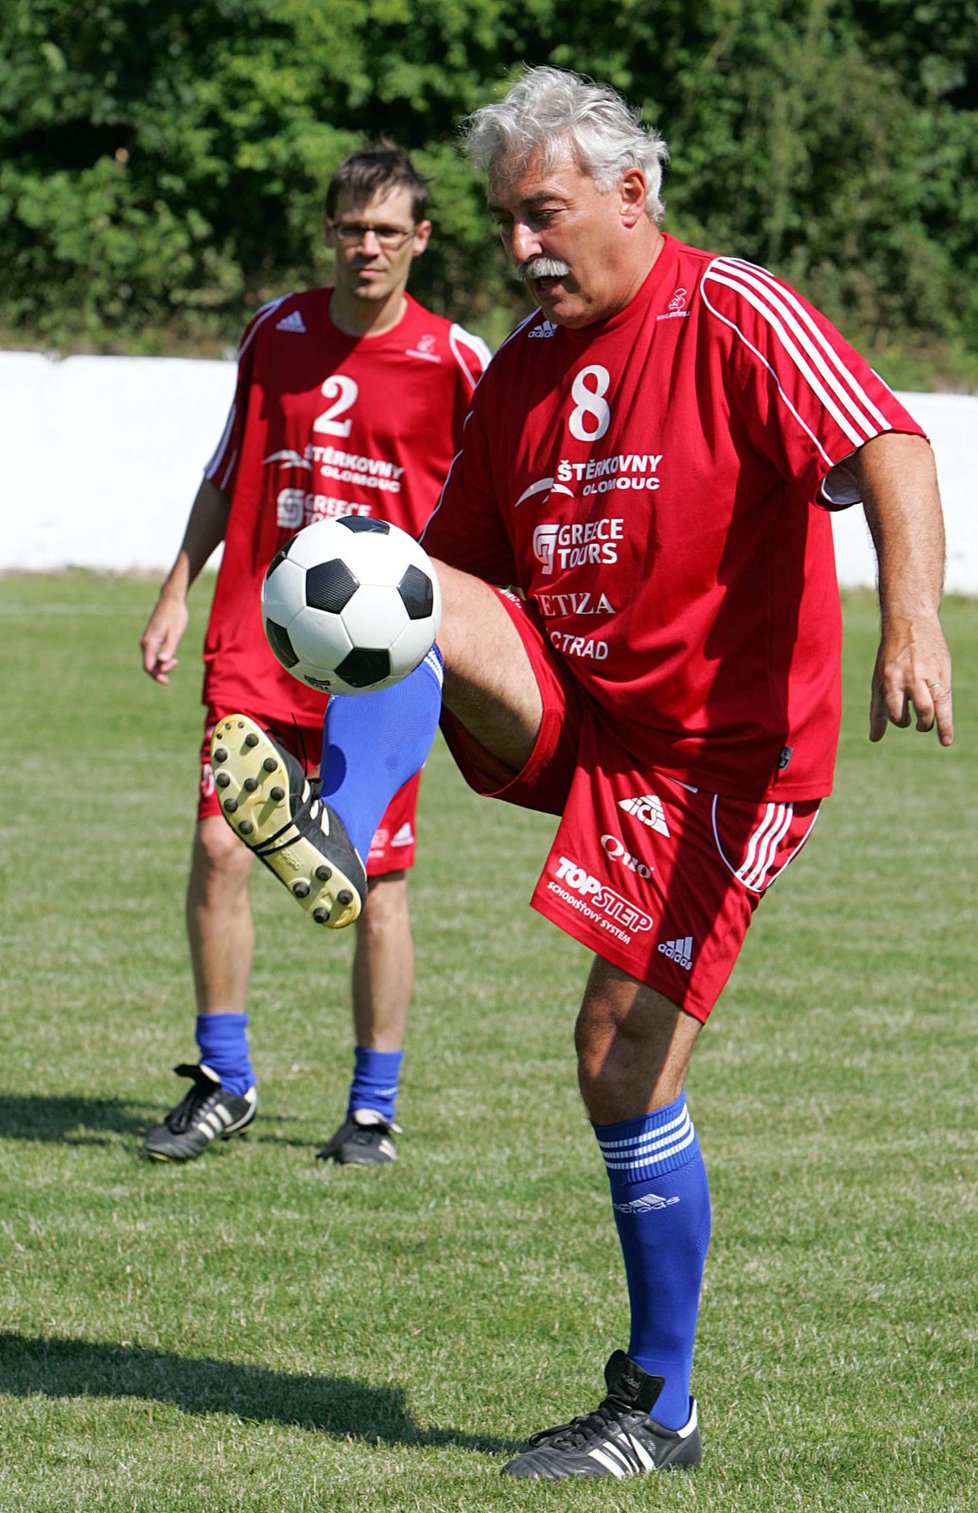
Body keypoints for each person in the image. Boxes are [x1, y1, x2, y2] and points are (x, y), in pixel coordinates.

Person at [209, 68, 953, 1477]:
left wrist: (909, 615)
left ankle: (657, 1408)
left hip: (725, 762)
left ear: (630, 193)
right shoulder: (525, 371)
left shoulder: (731, 308)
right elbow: (444, 590)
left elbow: (887, 440)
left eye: (540, 214)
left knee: (616, 1057)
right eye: (501, 222)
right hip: (588, 722)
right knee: (394, 569)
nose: (519, 248)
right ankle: (340, 824)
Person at [139, 143, 489, 1167]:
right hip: (257, 633)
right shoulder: (276, 332)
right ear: (329, 231)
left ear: (420, 239)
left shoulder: (455, 359)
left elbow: (491, 503)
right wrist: (176, 587)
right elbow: (225, 467)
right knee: (215, 848)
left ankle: (371, 1108)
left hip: (379, 669)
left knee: (376, 880)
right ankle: (224, 1080)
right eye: (352, 228)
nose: (367, 247)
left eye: (388, 231)